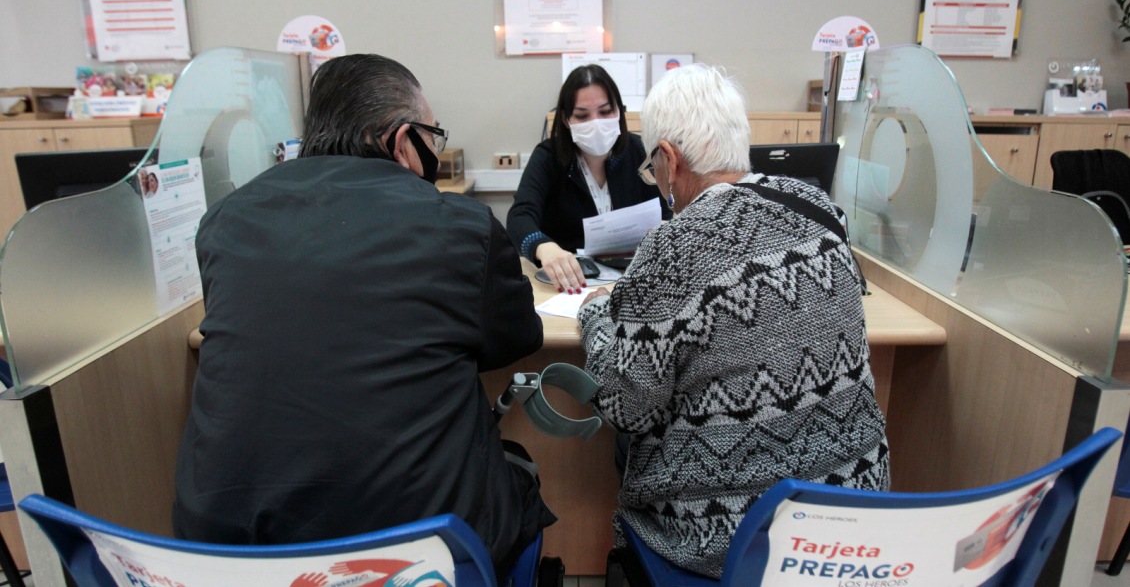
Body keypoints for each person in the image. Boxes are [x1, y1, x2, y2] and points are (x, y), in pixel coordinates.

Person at [173, 53, 555, 577]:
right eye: (432, 137)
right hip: (414, 555)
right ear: (401, 141)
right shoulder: (460, 226)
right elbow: (518, 338)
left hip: (228, 558)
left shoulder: (224, 220)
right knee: (511, 475)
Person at [577, 64, 889, 579]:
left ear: (668, 158)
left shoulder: (672, 248)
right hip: (850, 522)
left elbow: (625, 406)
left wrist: (594, 315)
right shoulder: (817, 207)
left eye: (653, 170)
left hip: (734, 538)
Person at [506, 65, 664, 294]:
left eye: (605, 112)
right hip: (569, 283)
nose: (596, 122)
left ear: (619, 112)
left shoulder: (640, 152)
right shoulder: (548, 157)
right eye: (582, 116)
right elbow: (519, 216)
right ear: (565, 119)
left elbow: (666, 212)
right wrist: (544, 248)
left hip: (636, 279)